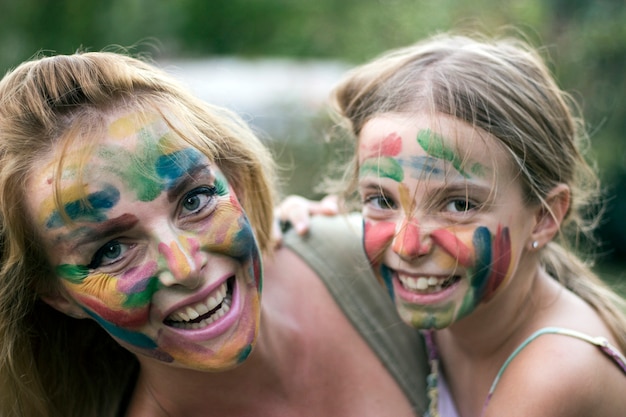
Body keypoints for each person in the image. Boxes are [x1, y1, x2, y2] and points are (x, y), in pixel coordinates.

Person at [0, 51, 430, 417]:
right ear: (56, 294)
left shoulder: (373, 261)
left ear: (236, 181)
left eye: (194, 200)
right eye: (111, 249)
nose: (185, 266)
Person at [278, 32, 626, 417]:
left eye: (459, 205)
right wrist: (302, 233)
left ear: (544, 217)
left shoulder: (556, 374)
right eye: (381, 200)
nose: (407, 246)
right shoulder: (458, 308)